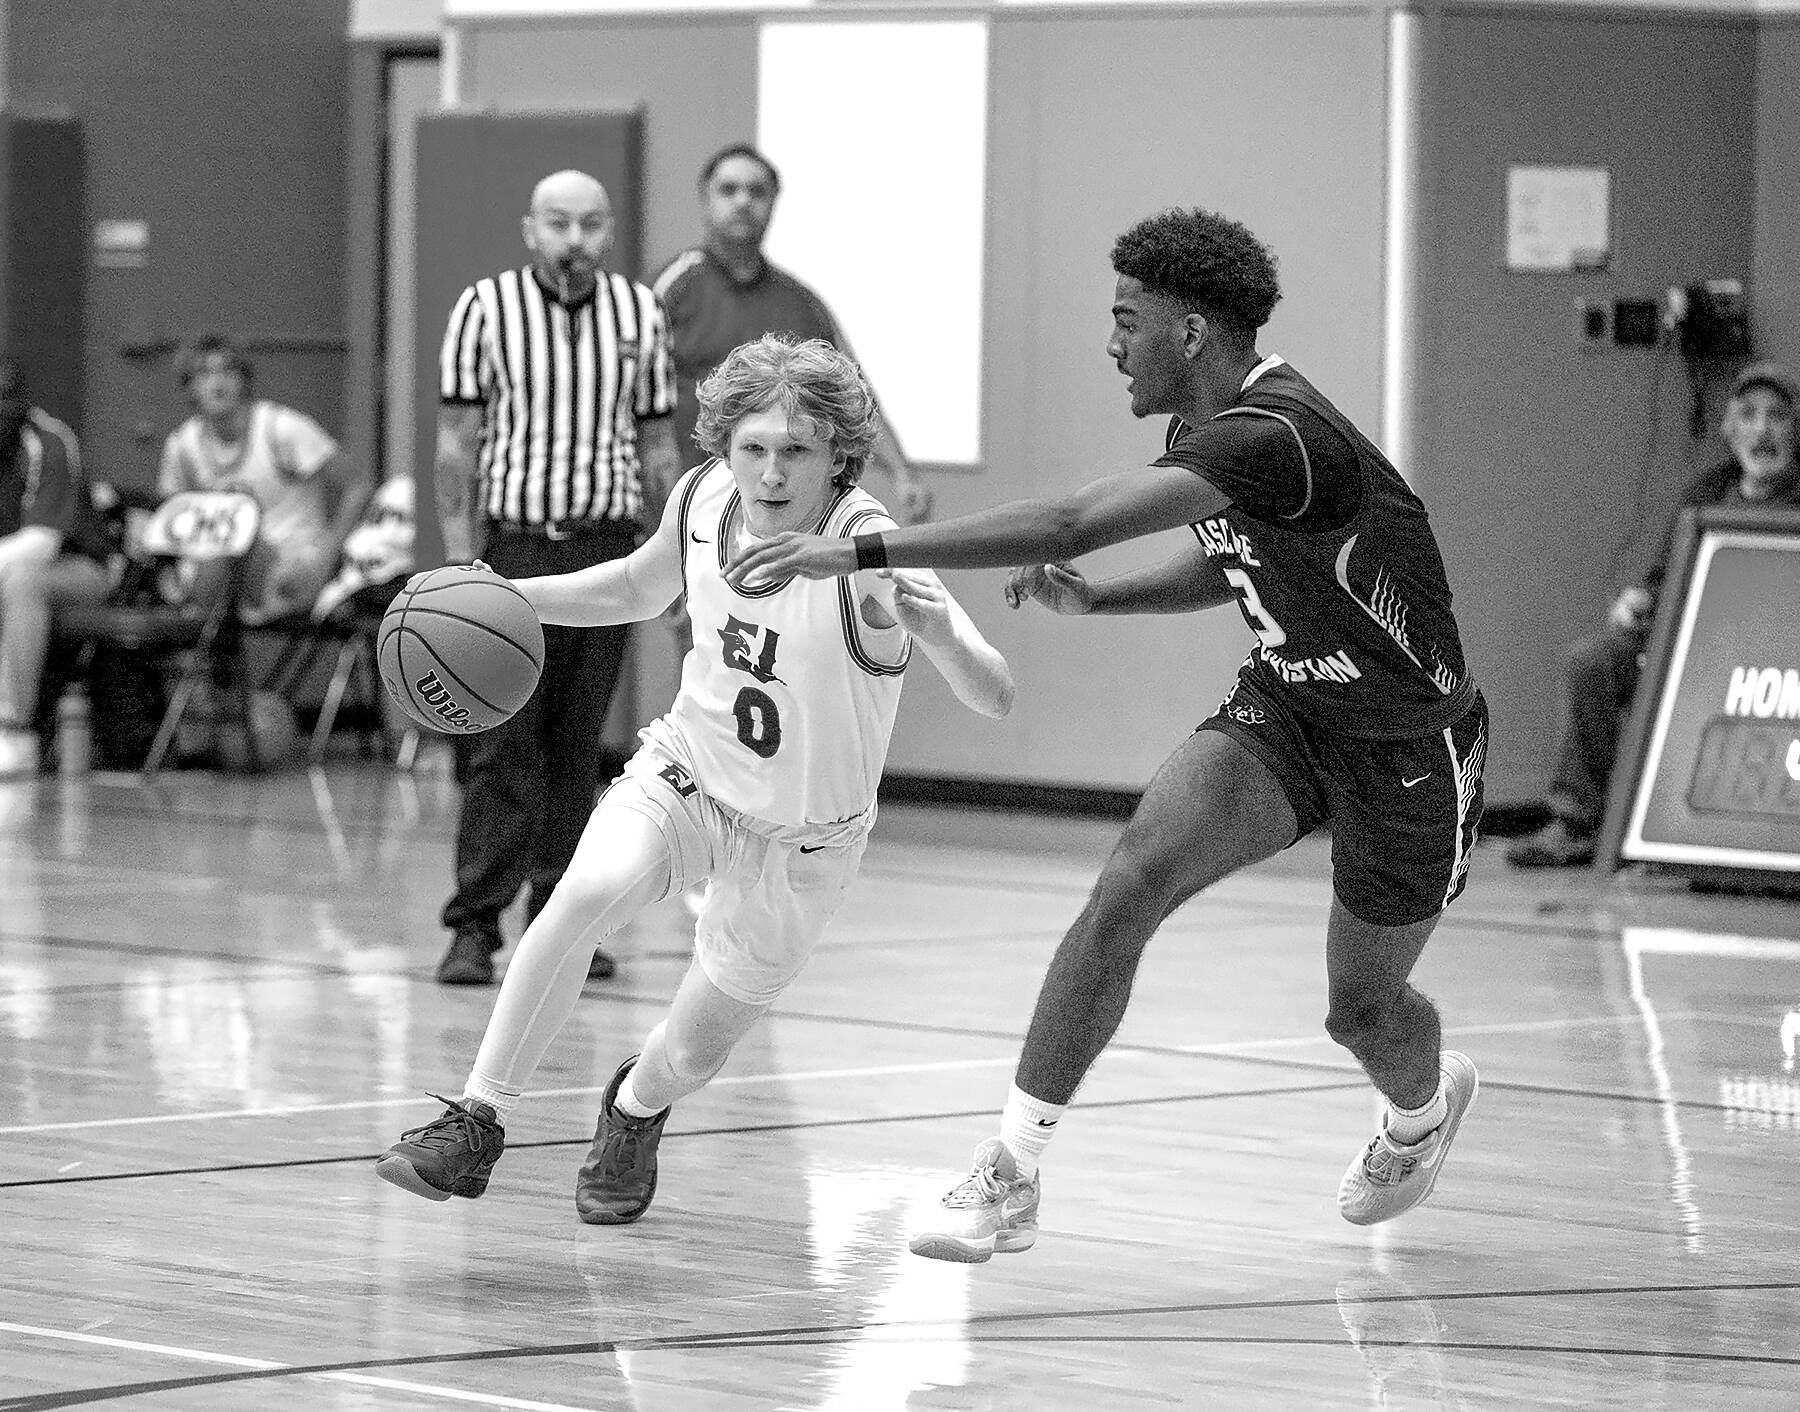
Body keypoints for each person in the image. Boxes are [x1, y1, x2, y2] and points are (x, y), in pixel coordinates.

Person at [727, 207, 1489, 1261]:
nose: (1112, 343)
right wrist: (1105, 600)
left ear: (1191, 332)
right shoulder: (1211, 439)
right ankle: (1010, 1171)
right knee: (1128, 885)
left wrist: (851, 551)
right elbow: (1236, 560)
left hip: (1409, 746)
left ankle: (1422, 1108)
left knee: (1361, 1011)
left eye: (1128, 321)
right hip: (1290, 710)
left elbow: (1067, 522)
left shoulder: (1281, 437)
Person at [374, 333, 1013, 1222]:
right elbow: (638, 589)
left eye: (797, 451)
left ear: (839, 457)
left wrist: (941, 636)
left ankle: (635, 1106)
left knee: (692, 1053)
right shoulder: (706, 496)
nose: (771, 472)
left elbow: (995, 694)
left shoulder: (870, 548)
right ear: (725, 447)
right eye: (754, 447)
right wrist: (515, 597)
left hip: (803, 838)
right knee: (580, 895)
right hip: (692, 772)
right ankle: (477, 1120)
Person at [432, 169, 682, 989]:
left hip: (607, 550)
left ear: (608, 230)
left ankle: (560, 922)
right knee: (503, 742)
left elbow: (656, 447)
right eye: (559, 222)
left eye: (590, 223)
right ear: (530, 229)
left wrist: (675, 561)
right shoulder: (484, 308)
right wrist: (460, 562)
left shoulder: (639, 312)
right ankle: (475, 926)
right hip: (515, 550)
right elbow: (457, 443)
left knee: (579, 745)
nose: (575, 238)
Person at [1507, 361, 1800, 867]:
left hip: (1774, 656)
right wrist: (1636, 602)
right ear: (1729, 429)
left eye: (1776, 416)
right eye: (1748, 415)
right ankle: (1577, 822)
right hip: (1693, 645)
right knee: (1593, 661)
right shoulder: (1704, 494)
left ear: (1796, 430)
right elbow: (1664, 582)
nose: (1762, 431)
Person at [652, 144, 934, 524]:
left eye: (756, 191)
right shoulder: (667, 291)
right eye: (729, 190)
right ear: (705, 200)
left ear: (773, 202)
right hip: (686, 507)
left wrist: (902, 473)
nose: (743, 202)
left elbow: (853, 395)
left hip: (780, 509)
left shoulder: (802, 303)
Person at [157, 334, 374, 626]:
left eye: (228, 371)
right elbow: (170, 517)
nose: (218, 383)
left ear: (244, 380)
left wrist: (327, 556)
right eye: (205, 373)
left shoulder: (280, 429)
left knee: (236, 553)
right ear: (190, 386)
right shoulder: (182, 446)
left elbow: (359, 485)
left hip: (289, 564)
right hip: (221, 568)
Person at [0, 356, 111, 778]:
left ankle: (14, 734)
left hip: (82, 569)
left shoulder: (49, 440)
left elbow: (41, 545)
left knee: (22, 581)